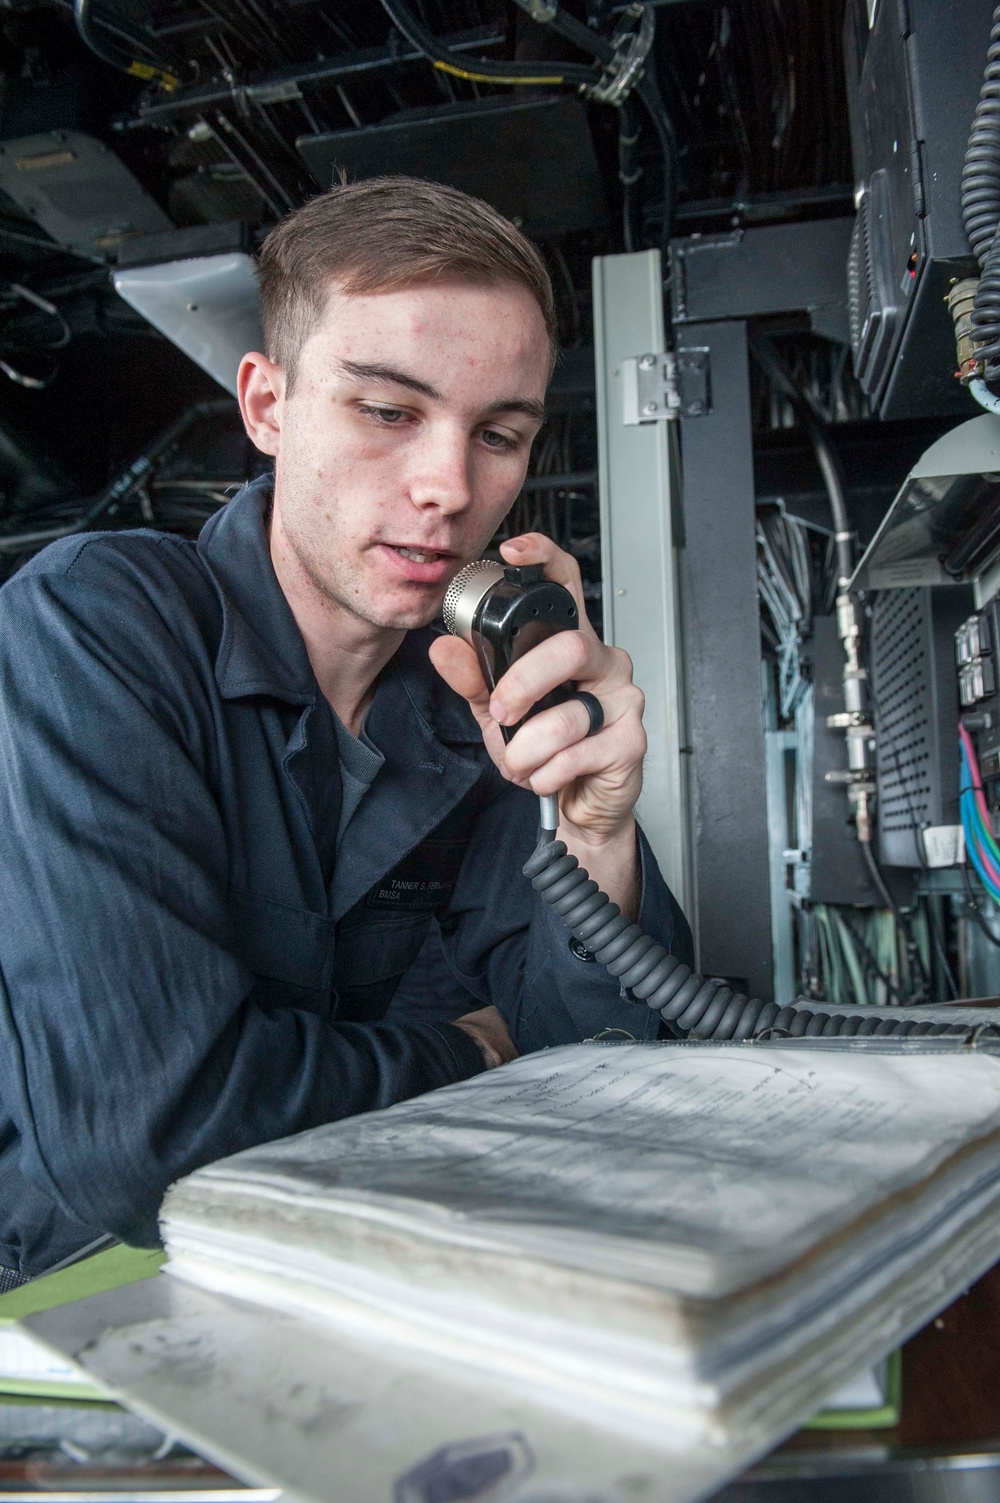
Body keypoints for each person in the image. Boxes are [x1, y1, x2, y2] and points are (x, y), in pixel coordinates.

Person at [0, 176, 691, 1282]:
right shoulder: (101, 624)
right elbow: (152, 1140)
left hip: (336, 1267)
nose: (447, 487)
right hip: (70, 1287)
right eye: (388, 411)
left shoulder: (467, 709)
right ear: (267, 405)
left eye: (500, 435)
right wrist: (467, 1051)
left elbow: (615, 1067)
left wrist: (593, 830)